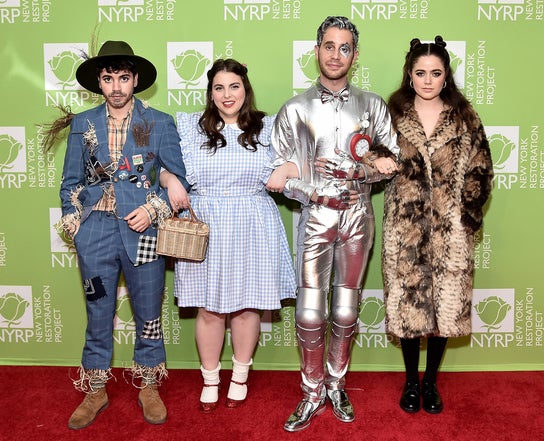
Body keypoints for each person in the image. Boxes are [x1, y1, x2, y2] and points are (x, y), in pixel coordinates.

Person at [268, 16, 399, 432]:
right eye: (329, 45)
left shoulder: (373, 106)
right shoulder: (294, 109)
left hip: (359, 215)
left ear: (355, 55)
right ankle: (311, 392)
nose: (336, 54)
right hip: (314, 218)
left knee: (345, 310)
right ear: (316, 50)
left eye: (345, 48)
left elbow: (392, 161)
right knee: (309, 314)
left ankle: (336, 385)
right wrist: (312, 191)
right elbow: (278, 174)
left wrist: (357, 171)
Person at [53, 40, 189, 429]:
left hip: (142, 229)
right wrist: (73, 220)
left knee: (148, 312)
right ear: (99, 81)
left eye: (123, 78)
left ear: (135, 81)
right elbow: (70, 182)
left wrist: (153, 209)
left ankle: (148, 385)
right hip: (94, 231)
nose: (116, 86)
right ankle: (95, 388)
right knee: (98, 311)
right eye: (109, 78)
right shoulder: (83, 123)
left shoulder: (158, 121)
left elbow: (177, 181)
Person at [169, 59, 297, 413]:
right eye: (219, 88)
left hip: (252, 221)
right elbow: (164, 166)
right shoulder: (190, 127)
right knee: (208, 309)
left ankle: (240, 375)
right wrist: (171, 180)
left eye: (234, 86)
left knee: (246, 306)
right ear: (211, 93)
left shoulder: (269, 127)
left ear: (246, 89)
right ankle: (211, 379)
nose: (227, 95)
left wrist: (287, 167)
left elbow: (303, 159)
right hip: (206, 222)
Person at [382, 36, 493, 415]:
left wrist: (468, 214)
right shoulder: (391, 114)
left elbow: (481, 167)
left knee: (445, 309)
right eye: (420, 73)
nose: (427, 80)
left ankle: (431, 383)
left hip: (450, 230)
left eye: (435, 73)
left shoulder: (464, 117)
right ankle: (411, 382)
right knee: (409, 308)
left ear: (446, 77)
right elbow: (373, 157)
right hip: (406, 229)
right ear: (409, 75)